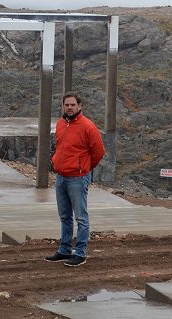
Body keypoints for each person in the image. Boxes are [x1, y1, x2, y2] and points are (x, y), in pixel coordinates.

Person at [44, 92, 105, 267]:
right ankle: (64, 250)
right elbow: (60, 147)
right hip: (61, 177)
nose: (69, 107)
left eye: (73, 105)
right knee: (65, 216)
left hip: (78, 178)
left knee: (81, 218)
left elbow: (99, 152)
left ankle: (80, 253)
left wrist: (84, 168)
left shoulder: (88, 126)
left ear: (80, 106)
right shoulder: (61, 124)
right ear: (63, 106)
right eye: (67, 105)